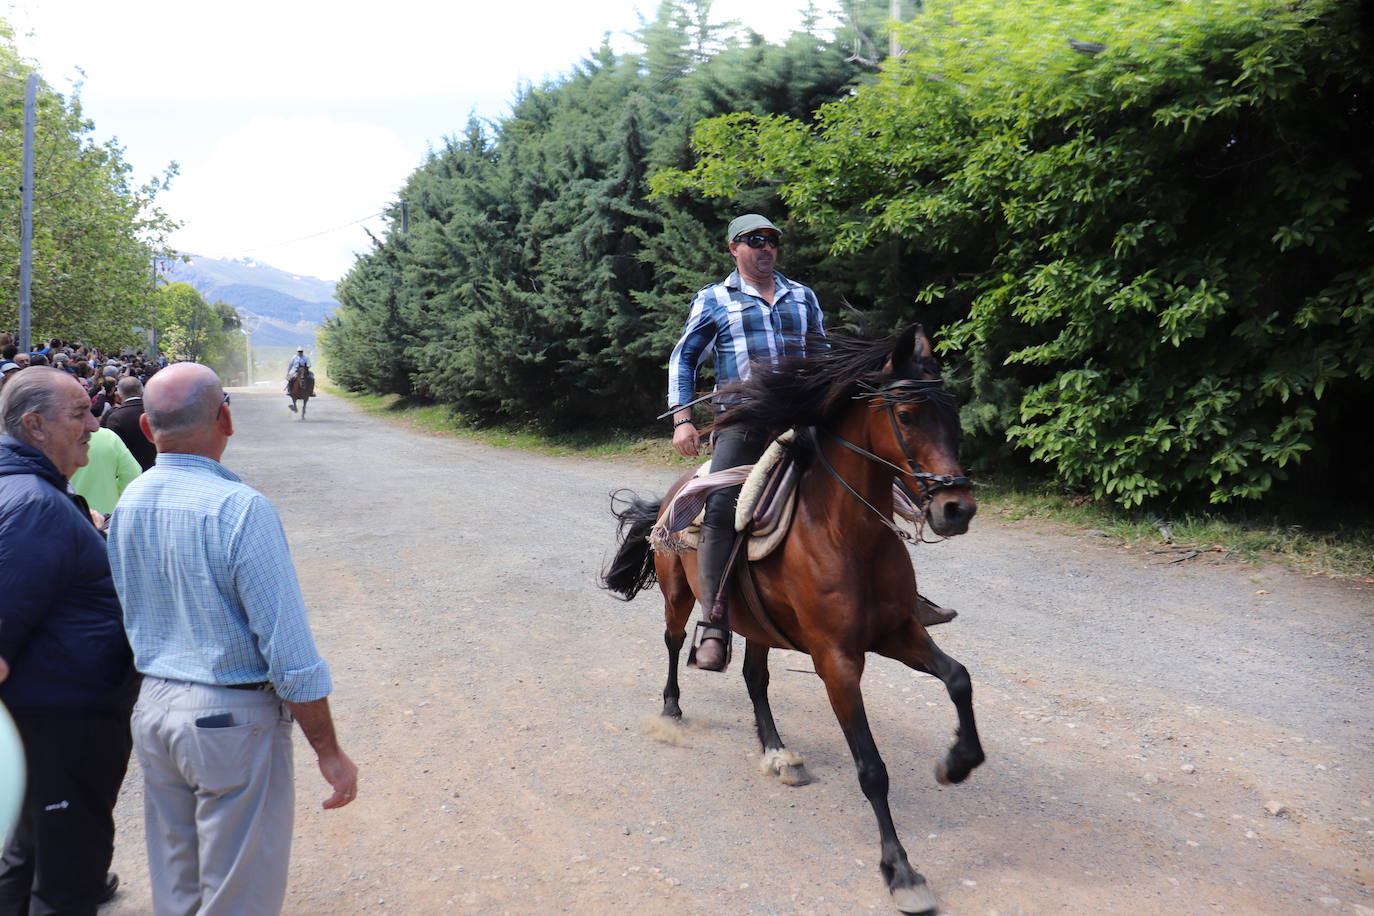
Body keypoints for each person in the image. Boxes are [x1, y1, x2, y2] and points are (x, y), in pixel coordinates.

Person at [108, 362, 357, 916]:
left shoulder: (129, 504)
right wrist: (328, 750)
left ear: (148, 431)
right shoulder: (240, 509)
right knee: (238, 895)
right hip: (229, 719)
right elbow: (289, 653)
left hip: (154, 709)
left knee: (177, 880)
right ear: (225, 417)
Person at [667, 214, 956, 671]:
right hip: (743, 424)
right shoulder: (715, 299)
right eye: (754, 240)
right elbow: (684, 358)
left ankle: (901, 600)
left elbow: (824, 360)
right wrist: (684, 418)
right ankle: (715, 622)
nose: (765, 248)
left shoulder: (802, 296)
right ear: (733, 249)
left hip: (802, 420)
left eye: (772, 241)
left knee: (868, 489)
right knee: (723, 506)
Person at [0, 366, 137, 913]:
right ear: (34, 426)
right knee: (68, 883)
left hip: (51, 721)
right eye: (80, 413)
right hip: (61, 729)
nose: (94, 424)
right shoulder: (33, 507)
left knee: (29, 859)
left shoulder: (35, 495)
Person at [69, 426, 142, 517]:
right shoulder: (108, 437)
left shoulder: (53, 440)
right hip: (107, 519)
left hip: (67, 517)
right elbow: (134, 475)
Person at [101, 377, 155, 471]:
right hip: (156, 467)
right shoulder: (156, 411)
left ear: (119, 393)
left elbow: (111, 448)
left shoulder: (115, 417)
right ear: (142, 390)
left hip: (129, 472)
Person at [285, 347, 311, 411]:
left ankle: (311, 391)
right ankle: (290, 391)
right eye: (299, 351)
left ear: (303, 352)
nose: (300, 352)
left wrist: (306, 366)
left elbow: (309, 364)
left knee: (311, 378)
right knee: (291, 379)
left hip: (305, 370)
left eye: (301, 351)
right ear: (297, 352)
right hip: (296, 371)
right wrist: (287, 373)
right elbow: (290, 365)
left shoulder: (306, 357)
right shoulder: (294, 357)